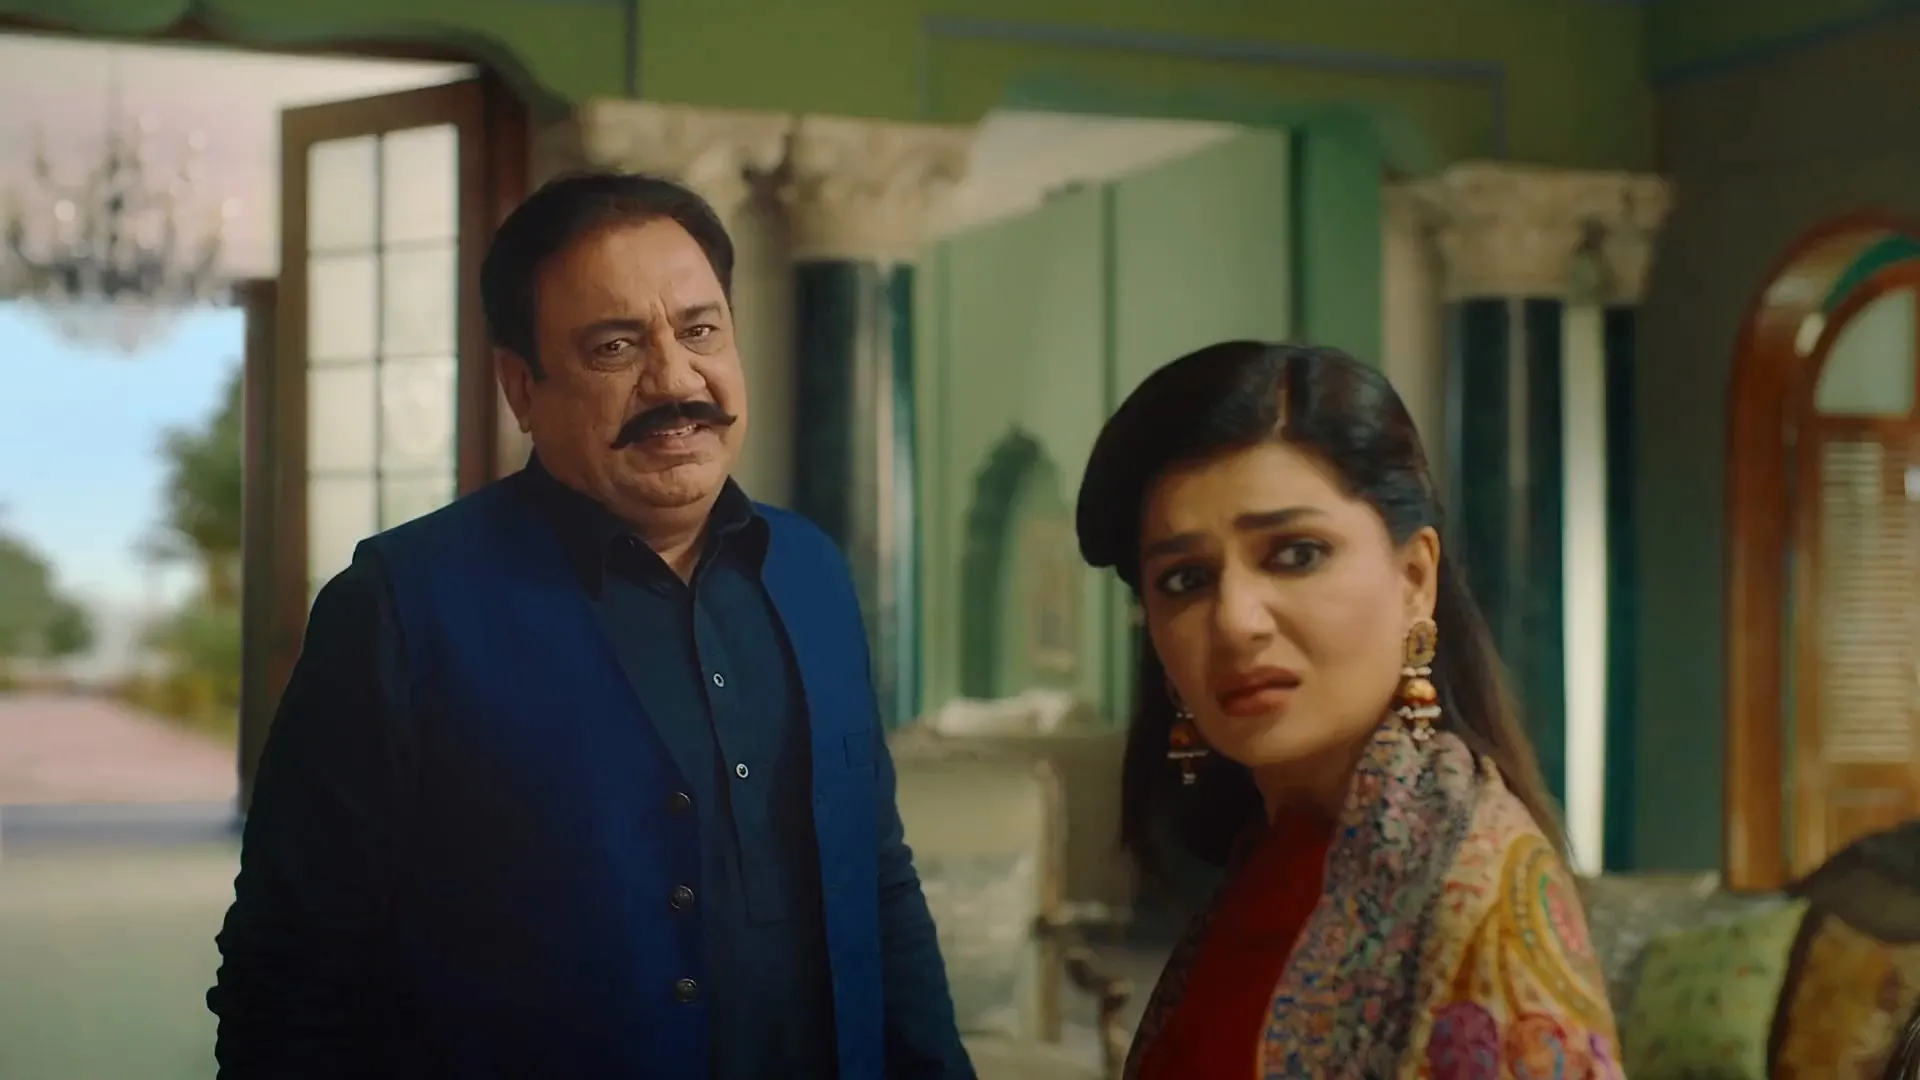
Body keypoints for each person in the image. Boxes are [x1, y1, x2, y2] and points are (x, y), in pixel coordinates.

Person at [208, 172, 974, 1080]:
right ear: (521, 389)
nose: (676, 379)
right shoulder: (399, 609)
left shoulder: (812, 572)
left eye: (701, 331)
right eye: (616, 346)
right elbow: (288, 973)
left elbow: (878, 880)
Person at [1074, 341, 1621, 1078]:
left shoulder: (1474, 893)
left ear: (1414, 578)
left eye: (1295, 554)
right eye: (1185, 579)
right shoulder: (1264, 871)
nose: (1235, 620)